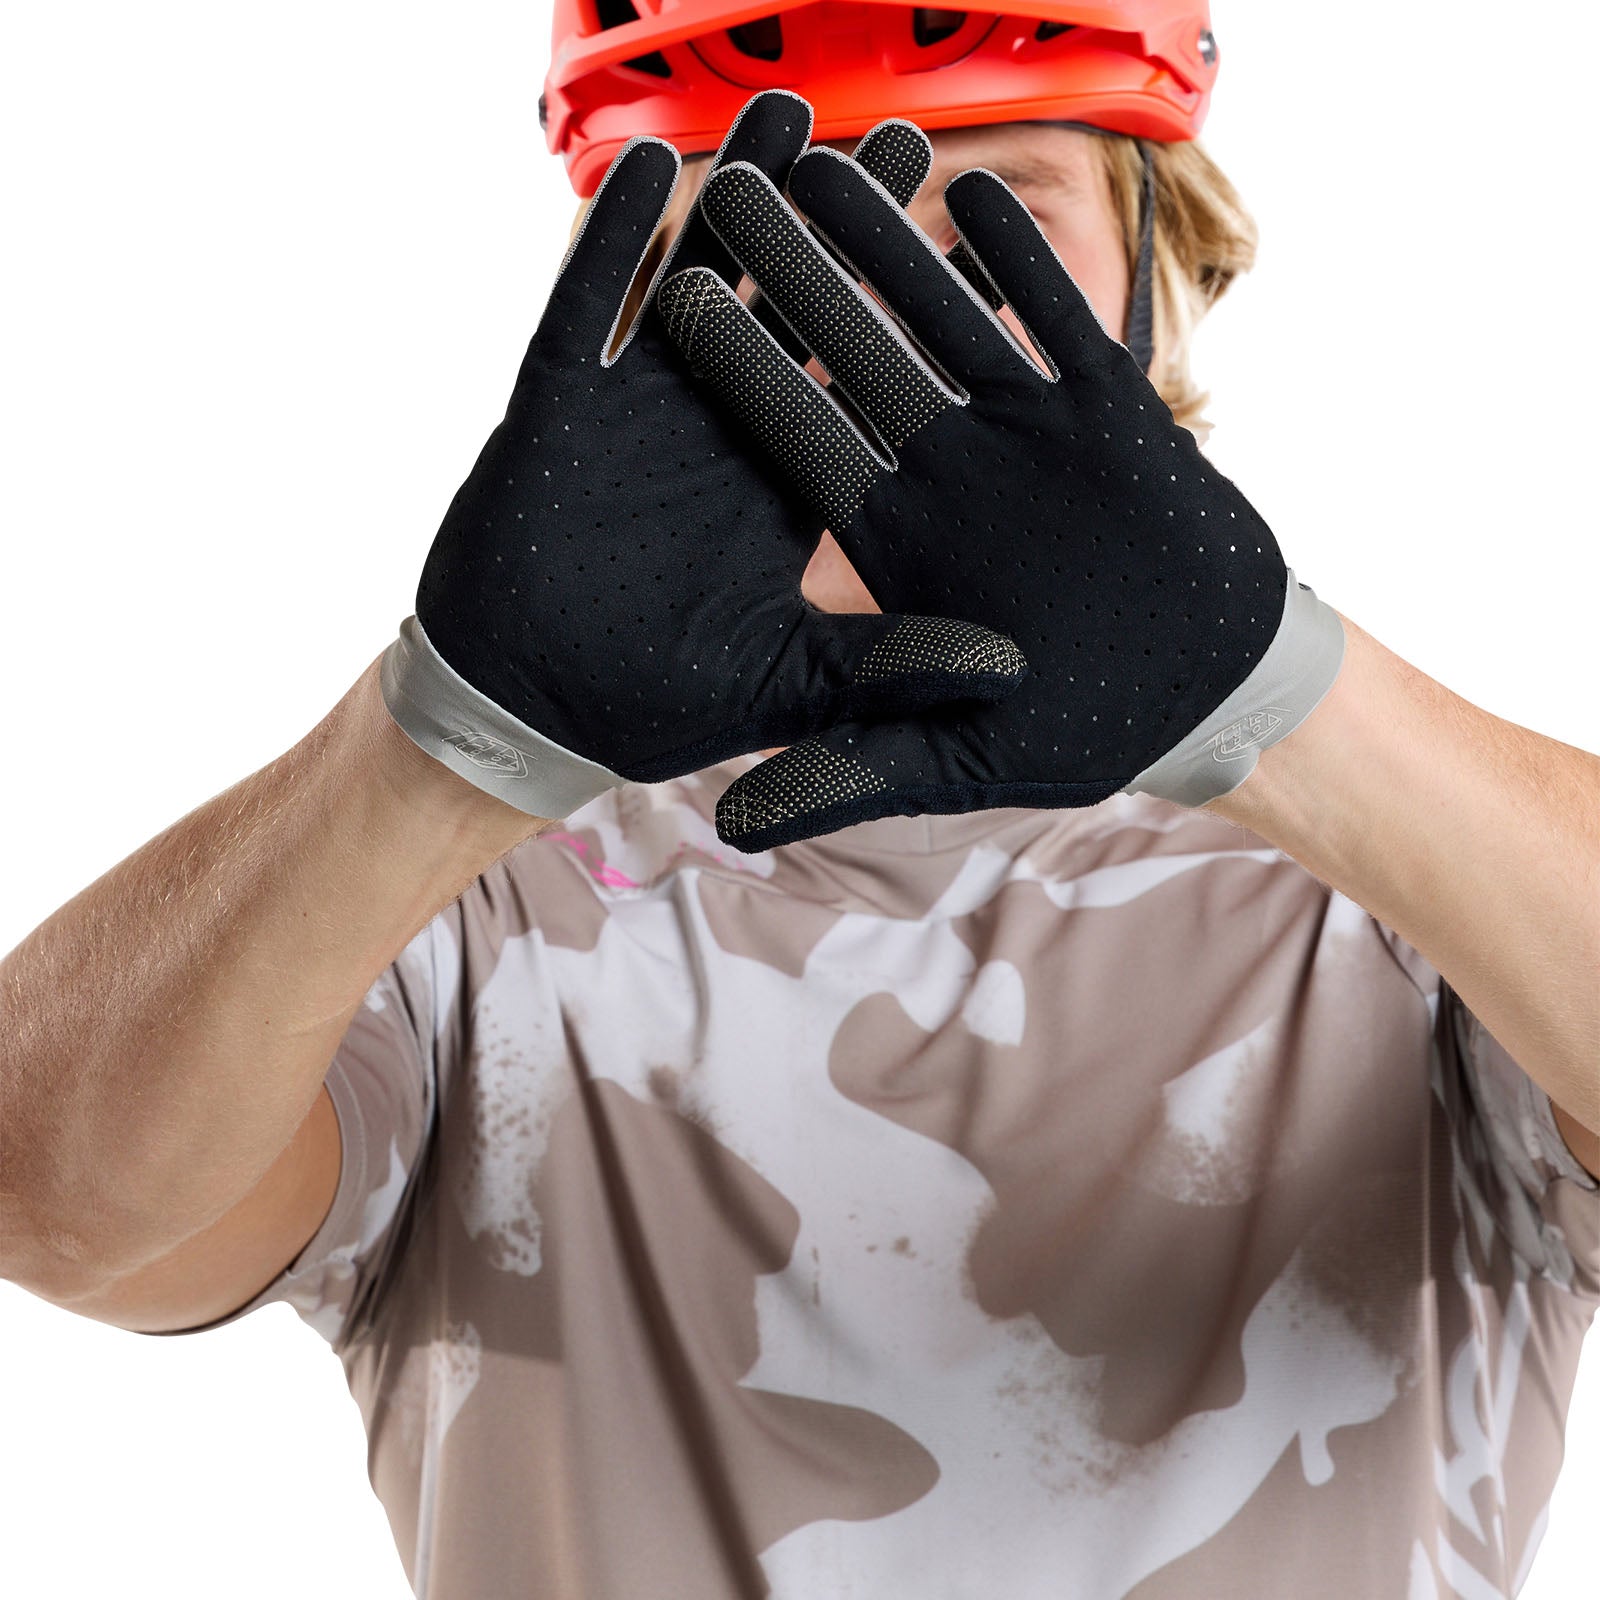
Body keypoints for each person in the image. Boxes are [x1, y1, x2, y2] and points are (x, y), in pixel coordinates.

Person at [2, 5, 1595, 1598]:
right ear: (630, 315)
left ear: (1156, 288)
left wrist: (1277, 706)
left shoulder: (1411, 891)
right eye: (775, 244)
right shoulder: (460, 918)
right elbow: (48, 1209)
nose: (873, 322)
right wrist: (449, 748)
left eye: (986, 230)